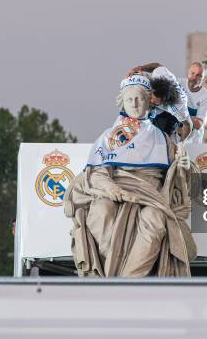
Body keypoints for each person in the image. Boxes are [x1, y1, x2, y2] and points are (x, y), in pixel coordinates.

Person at [63, 74, 197, 277]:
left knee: (156, 218)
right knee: (100, 211)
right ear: (122, 103)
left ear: (149, 101)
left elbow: (178, 176)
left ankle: (128, 280)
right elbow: (97, 171)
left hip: (151, 196)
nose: (134, 103)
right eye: (129, 99)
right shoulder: (109, 136)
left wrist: (185, 166)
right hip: (115, 192)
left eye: (140, 98)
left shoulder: (162, 139)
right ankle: (119, 272)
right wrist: (111, 188)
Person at [177, 62, 207, 144]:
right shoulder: (177, 83)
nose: (194, 77)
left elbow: (198, 124)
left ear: (204, 78)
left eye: (199, 75)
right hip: (174, 132)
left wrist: (178, 113)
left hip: (193, 139)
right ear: (188, 72)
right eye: (192, 73)